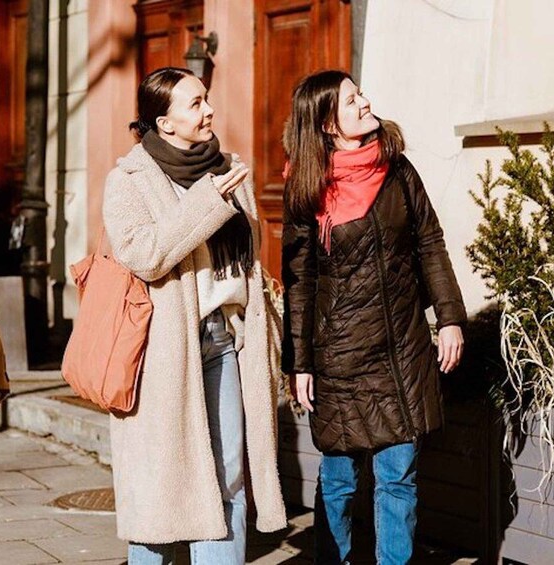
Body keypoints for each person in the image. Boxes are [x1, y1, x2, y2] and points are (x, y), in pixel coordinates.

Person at [101, 67, 287, 564]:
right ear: (165, 123)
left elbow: (249, 254)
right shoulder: (129, 180)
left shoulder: (228, 168)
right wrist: (210, 201)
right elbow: (144, 255)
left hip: (225, 338)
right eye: (196, 103)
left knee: (229, 476)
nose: (209, 111)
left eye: (207, 99)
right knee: (159, 485)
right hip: (162, 348)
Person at [281, 70, 467, 565]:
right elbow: (299, 281)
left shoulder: (396, 167)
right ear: (327, 124)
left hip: (401, 348)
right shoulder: (307, 186)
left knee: (398, 478)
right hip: (339, 357)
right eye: (351, 100)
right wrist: (299, 363)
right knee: (339, 482)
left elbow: (429, 242)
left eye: (359, 93)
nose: (365, 102)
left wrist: (449, 317)